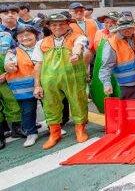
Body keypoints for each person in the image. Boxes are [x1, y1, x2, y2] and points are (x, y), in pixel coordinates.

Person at [32, 13, 91, 149]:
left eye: (61, 24)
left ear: (67, 24)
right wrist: (37, 85)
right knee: (50, 105)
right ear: (48, 26)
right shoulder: (42, 43)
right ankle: (54, 133)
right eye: (54, 24)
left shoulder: (78, 37)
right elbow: (38, 65)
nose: (58, 27)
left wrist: (76, 54)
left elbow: (79, 45)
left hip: (73, 78)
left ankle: (80, 129)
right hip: (49, 81)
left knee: (78, 101)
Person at [99, 17, 135, 99]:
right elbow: (106, 66)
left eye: (130, 28)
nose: (127, 30)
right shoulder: (112, 43)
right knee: (132, 109)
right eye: (124, 28)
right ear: (118, 29)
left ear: (134, 27)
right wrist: (106, 83)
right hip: (128, 85)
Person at [4, 25, 41, 147]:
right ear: (17, 39)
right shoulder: (13, 51)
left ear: (35, 35)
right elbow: (8, 64)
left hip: (44, 85)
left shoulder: (43, 47)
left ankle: (54, 128)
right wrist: (9, 66)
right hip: (25, 90)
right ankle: (31, 133)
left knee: (50, 107)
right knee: (27, 111)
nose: (25, 38)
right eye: (21, 36)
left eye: (28, 34)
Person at [0, 24, 23, 149]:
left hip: (5, 75)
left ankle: (16, 129)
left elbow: (15, 52)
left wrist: (6, 73)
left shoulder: (6, 35)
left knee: (12, 103)